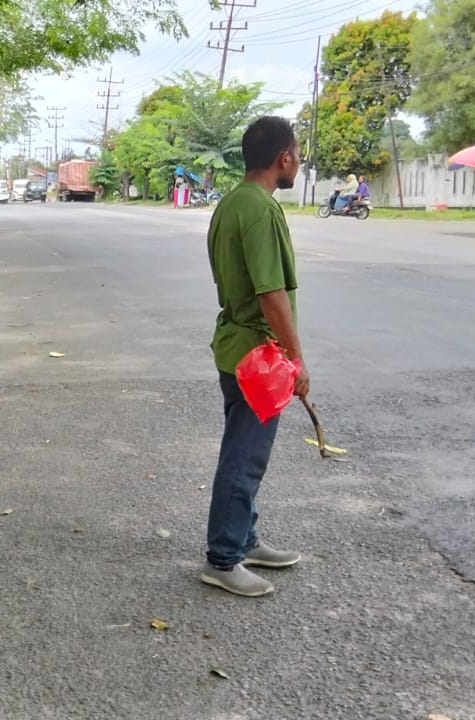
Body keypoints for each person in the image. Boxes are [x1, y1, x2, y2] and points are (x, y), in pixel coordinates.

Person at [202, 115, 309, 598]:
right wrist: (297, 359)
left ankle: (244, 539)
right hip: (257, 356)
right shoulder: (261, 209)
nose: (299, 163)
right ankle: (224, 558)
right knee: (245, 458)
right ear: (283, 158)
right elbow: (272, 293)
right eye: (298, 155)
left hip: (235, 346)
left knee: (245, 451)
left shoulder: (231, 204)